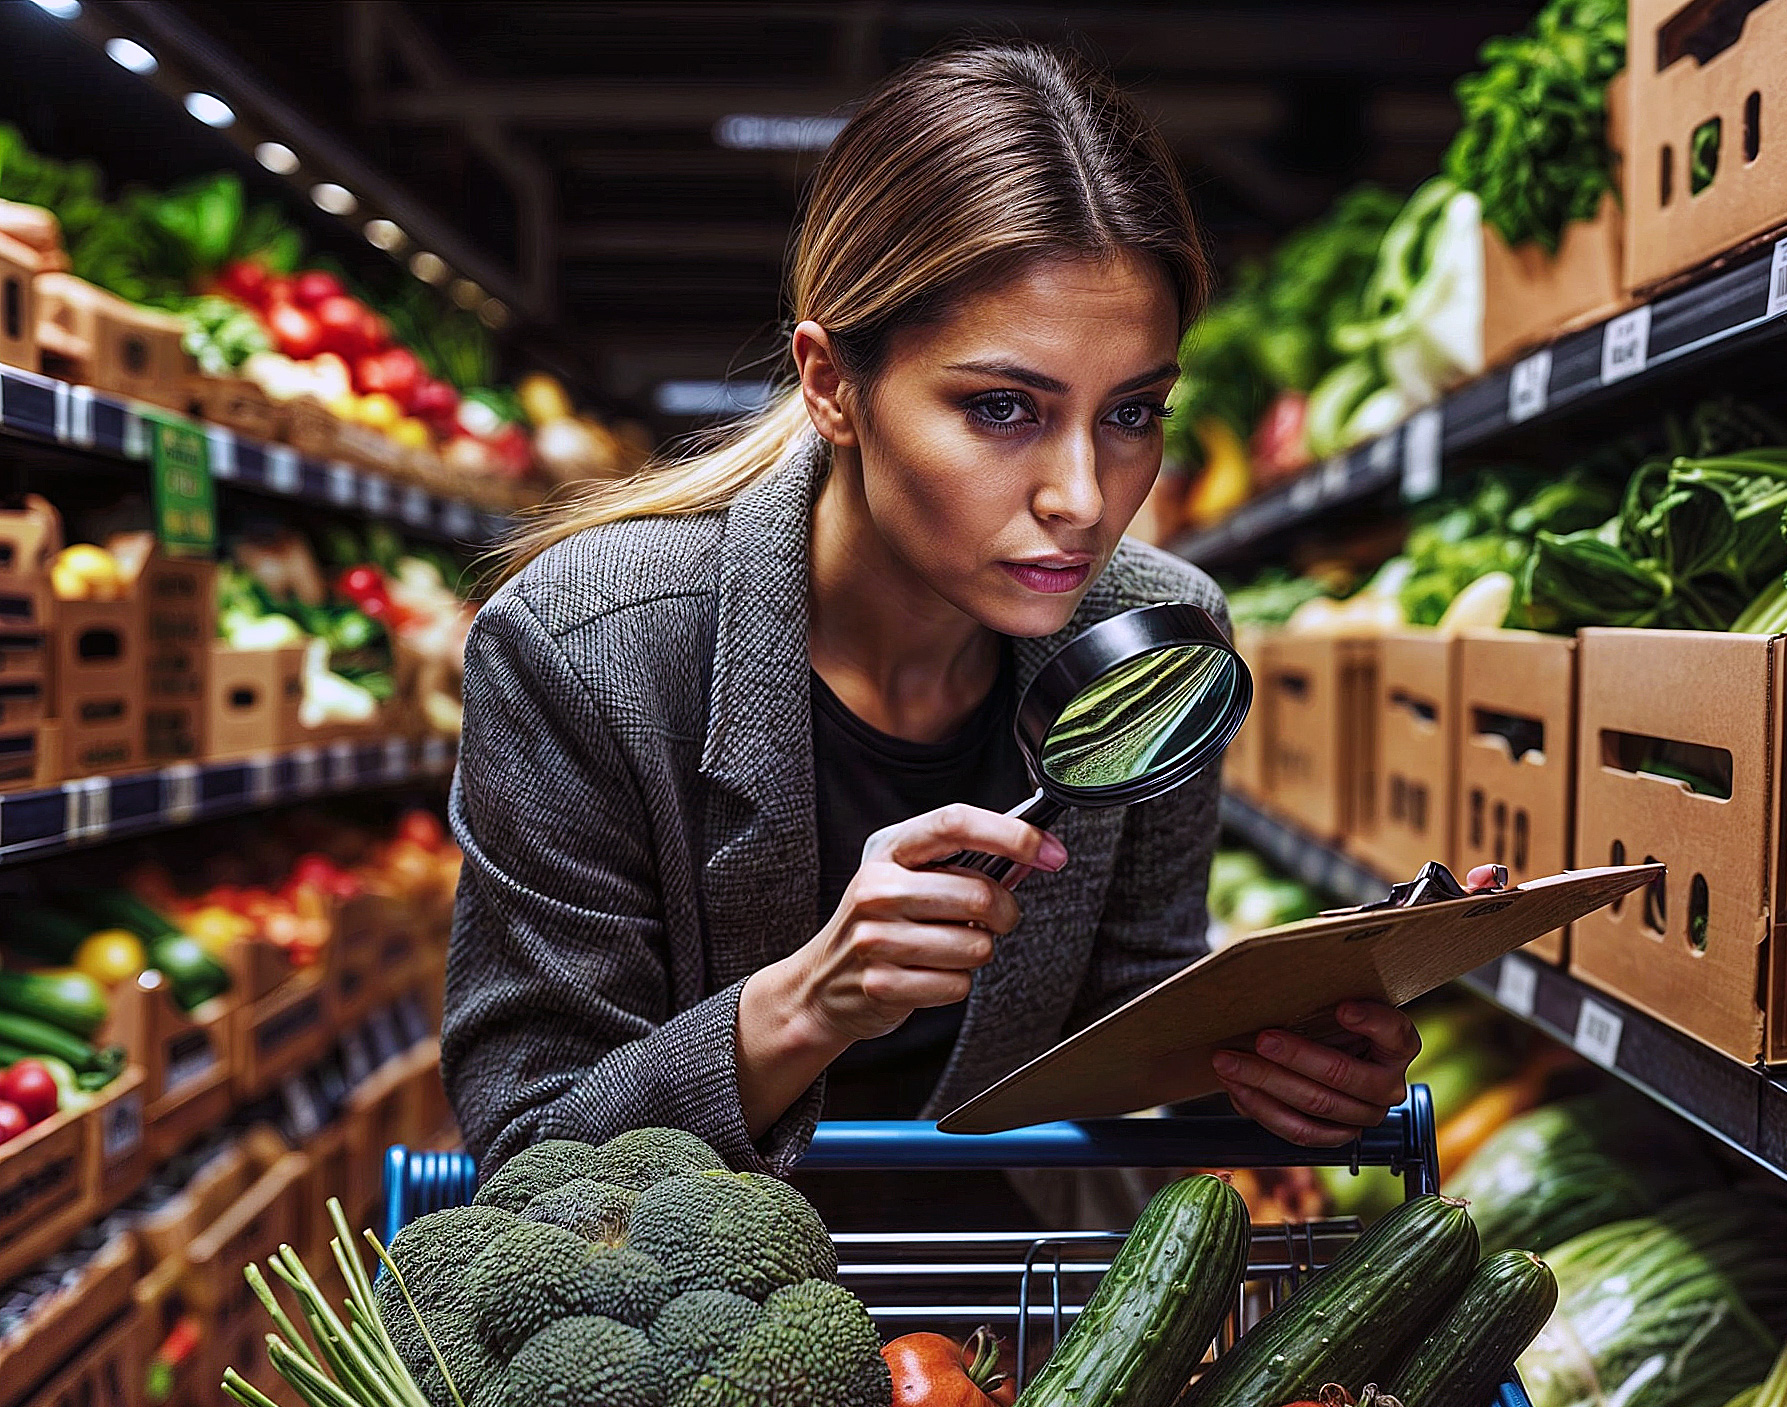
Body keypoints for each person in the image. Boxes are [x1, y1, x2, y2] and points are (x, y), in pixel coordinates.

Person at [444, 43, 1495, 1183]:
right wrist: (807, 1002)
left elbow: (1128, 1005)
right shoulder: (584, 650)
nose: (1084, 500)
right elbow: (525, 1154)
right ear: (831, 383)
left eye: (1132, 412)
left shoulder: (1158, 635)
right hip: (681, 1315)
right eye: (1002, 407)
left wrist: (1272, 1057)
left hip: (1007, 1308)